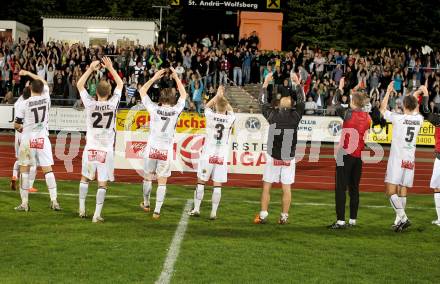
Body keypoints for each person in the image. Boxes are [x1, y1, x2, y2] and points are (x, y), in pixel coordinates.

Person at [76, 57, 123, 223]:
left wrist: (90, 69)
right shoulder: (112, 103)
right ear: (109, 93)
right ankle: (96, 214)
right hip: (106, 150)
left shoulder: (89, 103)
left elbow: (79, 85)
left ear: (95, 91)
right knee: (102, 183)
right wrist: (110, 68)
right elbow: (120, 85)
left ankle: (82, 209)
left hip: (91, 148)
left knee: (85, 179)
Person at [254, 72, 305, 224]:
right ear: (291, 105)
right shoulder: (295, 116)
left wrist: (265, 84)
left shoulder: (272, 115)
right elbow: (302, 101)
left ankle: (263, 215)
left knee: (267, 186)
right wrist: (297, 83)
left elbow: (261, 103)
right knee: (286, 188)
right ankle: (284, 217)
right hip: (288, 157)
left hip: (273, 156)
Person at [139, 67, 188, 219]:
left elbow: (142, 91)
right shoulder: (175, 110)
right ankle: (157, 211)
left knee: (148, 177)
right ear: (172, 99)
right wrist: (176, 77)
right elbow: (184, 95)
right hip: (165, 150)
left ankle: (146, 203)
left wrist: (154, 78)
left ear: (161, 98)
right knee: (162, 181)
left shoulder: (154, 108)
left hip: (152, 148)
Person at [14, 70, 60, 212]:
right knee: (48, 170)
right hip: (42, 138)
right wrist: (29, 73)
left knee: (24, 170)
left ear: (30, 89)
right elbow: (43, 81)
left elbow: (17, 125)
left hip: (28, 139)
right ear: (42, 89)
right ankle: (54, 201)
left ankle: (24, 203)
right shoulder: (46, 98)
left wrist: (21, 128)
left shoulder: (23, 104)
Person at [380, 82, 424, 232]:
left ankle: (403, 218)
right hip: (410, 159)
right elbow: (415, 107)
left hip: (397, 158)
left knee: (390, 190)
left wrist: (387, 92)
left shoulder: (398, 118)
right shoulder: (419, 119)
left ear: (404, 105)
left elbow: (382, 109)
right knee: (403, 187)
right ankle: (399, 221)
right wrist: (418, 93)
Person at [329, 78, 371, 229]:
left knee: (340, 187)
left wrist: (340, 88)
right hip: (358, 156)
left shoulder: (348, 114)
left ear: (353, 102)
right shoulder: (367, 117)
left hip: (345, 154)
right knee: (354, 188)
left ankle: (341, 220)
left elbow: (335, 102)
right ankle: (353, 219)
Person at [189, 86, 235, 220]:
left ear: (216, 106)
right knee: (217, 184)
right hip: (221, 156)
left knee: (201, 182)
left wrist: (217, 95)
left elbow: (206, 106)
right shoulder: (230, 118)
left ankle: (197, 208)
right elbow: (230, 109)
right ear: (225, 107)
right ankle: (214, 212)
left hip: (208, 154)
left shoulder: (210, 115)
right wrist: (223, 98)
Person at [11, 86, 38, 193]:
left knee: (19, 159)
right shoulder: (29, 104)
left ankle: (14, 176)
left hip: (18, 134)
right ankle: (29, 186)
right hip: (26, 134)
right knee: (33, 163)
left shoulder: (18, 103)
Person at [421, 85, 440, 226]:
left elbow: (425, 110)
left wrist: (426, 94)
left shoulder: (438, 121)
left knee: (437, 187)